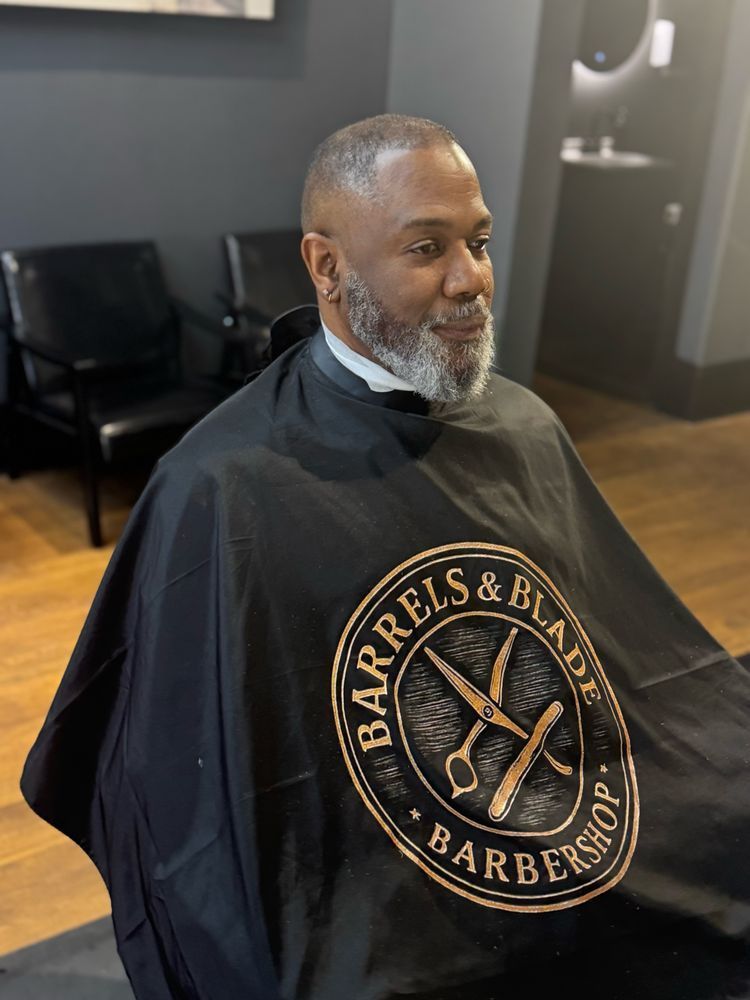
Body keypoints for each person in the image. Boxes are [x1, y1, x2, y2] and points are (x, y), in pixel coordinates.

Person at [22, 115, 750, 1000]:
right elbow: (195, 782)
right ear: (327, 268)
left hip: (552, 813)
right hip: (356, 873)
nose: (471, 279)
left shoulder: (525, 427)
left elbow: (613, 655)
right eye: (426, 248)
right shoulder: (219, 485)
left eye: (479, 242)